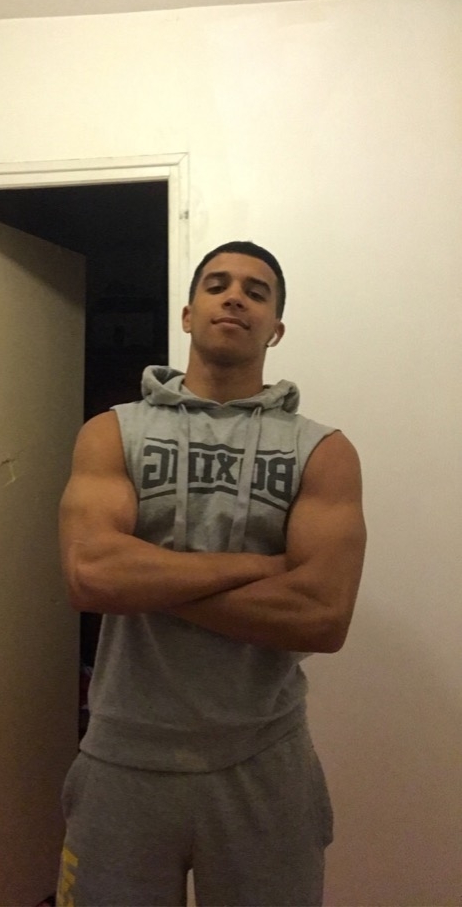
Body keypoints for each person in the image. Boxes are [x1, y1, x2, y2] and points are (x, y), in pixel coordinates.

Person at [57, 241, 366, 907]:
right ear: (188, 313)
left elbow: (321, 615)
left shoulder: (322, 451)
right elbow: (91, 574)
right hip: (122, 755)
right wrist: (258, 567)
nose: (234, 298)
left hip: (264, 759)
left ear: (275, 327)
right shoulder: (112, 433)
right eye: (217, 285)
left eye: (256, 291)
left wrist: (147, 579)